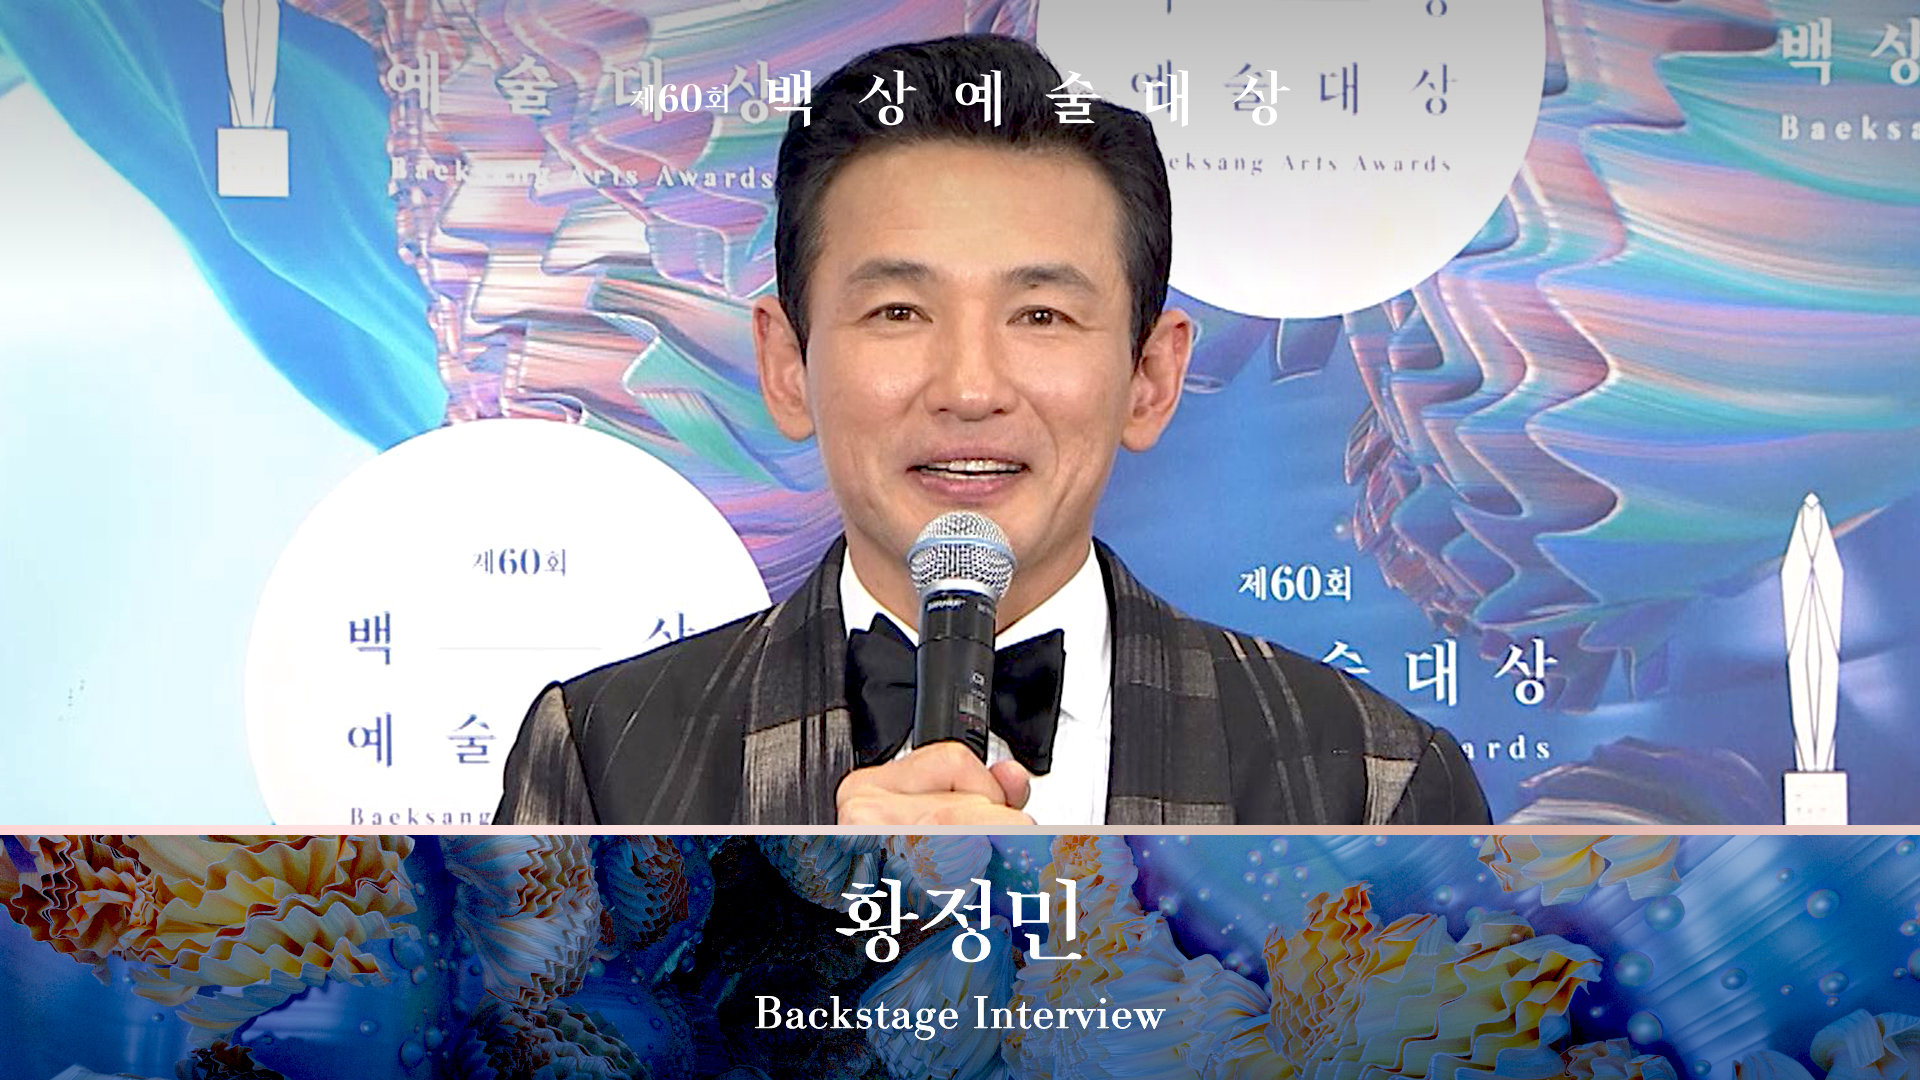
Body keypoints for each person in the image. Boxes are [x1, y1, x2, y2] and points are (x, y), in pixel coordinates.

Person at [494, 33, 1490, 827]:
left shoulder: (1372, 784)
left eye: (1041, 315)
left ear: (1150, 377)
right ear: (786, 365)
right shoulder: (603, 761)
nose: (970, 389)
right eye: (898, 312)